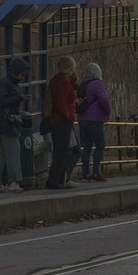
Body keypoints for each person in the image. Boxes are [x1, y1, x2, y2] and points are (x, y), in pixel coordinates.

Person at [0, 57, 28, 192]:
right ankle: (14, 181)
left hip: (1, 122)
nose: (23, 78)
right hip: (7, 123)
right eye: (22, 74)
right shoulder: (6, 84)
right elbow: (2, 101)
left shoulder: (5, 83)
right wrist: (19, 98)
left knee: (1, 154)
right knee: (13, 151)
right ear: (16, 72)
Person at [44, 55, 79, 189]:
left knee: (59, 151)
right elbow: (61, 102)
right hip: (62, 120)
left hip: (55, 120)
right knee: (62, 152)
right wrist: (69, 116)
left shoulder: (56, 79)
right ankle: (55, 181)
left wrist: (74, 78)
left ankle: (56, 180)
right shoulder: (64, 81)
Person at [77, 61, 112, 182]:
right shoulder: (97, 84)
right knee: (100, 145)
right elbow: (104, 100)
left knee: (86, 147)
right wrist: (108, 111)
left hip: (82, 120)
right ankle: (96, 173)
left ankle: (85, 174)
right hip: (95, 120)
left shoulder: (83, 84)